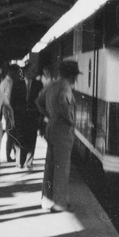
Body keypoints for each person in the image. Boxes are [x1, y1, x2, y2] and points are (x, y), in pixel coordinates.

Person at [35, 61, 80, 212]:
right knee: (62, 166)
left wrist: (49, 114)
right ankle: (59, 203)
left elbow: (39, 101)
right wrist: (70, 120)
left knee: (50, 165)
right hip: (62, 129)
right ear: (72, 75)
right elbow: (64, 104)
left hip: (51, 127)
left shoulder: (51, 85)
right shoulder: (65, 87)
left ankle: (46, 200)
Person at [19, 62, 43, 169]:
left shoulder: (39, 84)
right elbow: (14, 101)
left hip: (33, 116)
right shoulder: (17, 83)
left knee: (32, 138)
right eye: (33, 70)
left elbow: (41, 101)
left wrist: (40, 115)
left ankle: (29, 162)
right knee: (21, 138)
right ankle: (20, 161)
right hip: (20, 116)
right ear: (27, 71)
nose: (35, 72)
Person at [2, 65, 26, 165]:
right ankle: (8, 157)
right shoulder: (9, 82)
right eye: (17, 72)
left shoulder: (5, 81)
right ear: (12, 72)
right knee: (11, 135)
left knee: (10, 134)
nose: (18, 74)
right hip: (9, 112)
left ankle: (9, 155)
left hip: (7, 112)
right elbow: (8, 100)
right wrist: (8, 115)